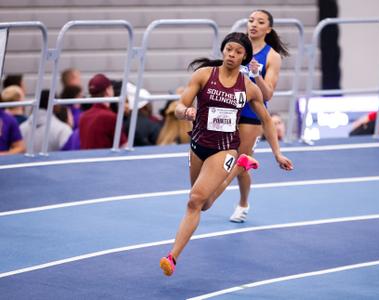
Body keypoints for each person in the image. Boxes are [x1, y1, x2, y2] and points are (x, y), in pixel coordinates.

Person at [159, 32, 293, 276]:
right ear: (223, 50)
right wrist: (184, 112)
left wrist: (277, 153)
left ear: (245, 57)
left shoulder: (249, 88)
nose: (232, 54)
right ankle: (240, 167)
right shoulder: (203, 75)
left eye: (238, 52)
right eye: (229, 49)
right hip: (198, 144)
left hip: (225, 148)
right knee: (206, 204)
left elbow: (266, 120)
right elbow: (180, 106)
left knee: (194, 200)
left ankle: (172, 257)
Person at [212, 9, 290, 223]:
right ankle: (237, 198)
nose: (254, 24)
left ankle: (234, 200)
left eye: (260, 21)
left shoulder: (272, 56)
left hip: (252, 114)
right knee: (232, 162)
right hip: (229, 110)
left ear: (269, 28)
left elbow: (268, 94)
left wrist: (256, 75)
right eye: (251, 20)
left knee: (240, 160)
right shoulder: (239, 47)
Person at [79, 73, 127, 149]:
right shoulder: (110, 117)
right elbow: (124, 147)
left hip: (87, 160)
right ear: (108, 91)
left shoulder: (83, 117)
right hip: (105, 160)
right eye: (111, 88)